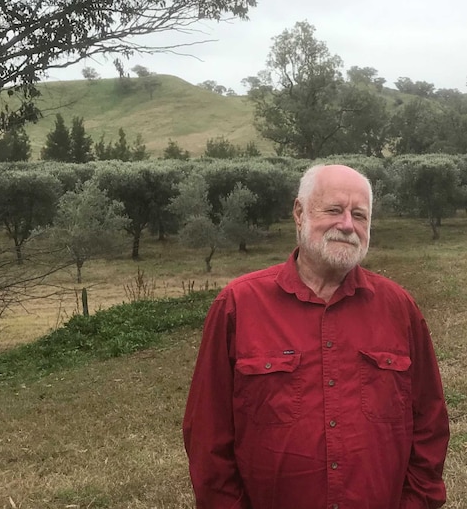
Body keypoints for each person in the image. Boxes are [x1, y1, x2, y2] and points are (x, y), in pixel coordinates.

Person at [183, 164, 449, 509]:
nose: (347, 225)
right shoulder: (238, 305)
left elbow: (430, 423)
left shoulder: (399, 308)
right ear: (299, 213)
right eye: (334, 210)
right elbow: (207, 437)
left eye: (360, 215)